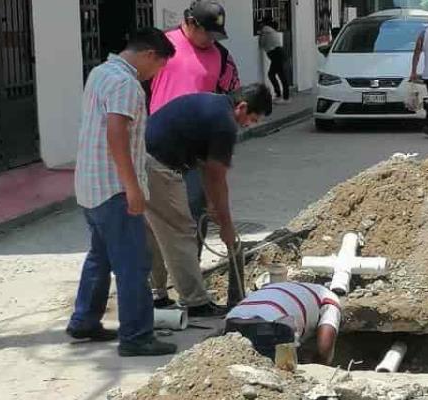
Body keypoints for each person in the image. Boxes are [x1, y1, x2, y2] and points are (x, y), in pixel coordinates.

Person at [67, 28, 178, 357]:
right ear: (149, 56)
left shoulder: (100, 73)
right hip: (114, 188)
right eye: (159, 67)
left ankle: (84, 322)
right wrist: (132, 188)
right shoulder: (126, 84)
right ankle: (136, 337)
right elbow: (117, 132)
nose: (155, 74)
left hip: (90, 185)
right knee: (133, 264)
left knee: (99, 257)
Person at [145, 0, 242, 313]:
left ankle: (189, 283)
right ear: (190, 22)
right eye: (208, 33)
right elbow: (136, 89)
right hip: (159, 147)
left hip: (195, 154)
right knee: (157, 224)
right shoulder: (161, 46)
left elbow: (233, 93)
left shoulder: (221, 57)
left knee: (193, 218)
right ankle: (157, 290)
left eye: (217, 34)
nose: (212, 40)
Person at [145, 84, 273, 313]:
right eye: (251, 119)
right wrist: (227, 226)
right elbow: (217, 177)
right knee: (180, 230)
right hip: (157, 165)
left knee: (154, 230)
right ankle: (196, 302)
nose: (248, 125)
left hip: (140, 157)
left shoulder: (213, 105)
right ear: (242, 107)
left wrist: (213, 205)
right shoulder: (224, 124)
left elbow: (204, 165)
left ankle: (157, 295)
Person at [225, 282, 341, 365]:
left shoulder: (286, 286)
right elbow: (325, 348)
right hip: (274, 324)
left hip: (233, 319)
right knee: (284, 371)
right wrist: (319, 363)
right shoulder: (330, 298)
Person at [258, 17, 290, 104]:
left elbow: (261, 44)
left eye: (261, 23)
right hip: (279, 54)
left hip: (276, 55)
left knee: (274, 75)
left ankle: (283, 97)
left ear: (264, 23)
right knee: (279, 75)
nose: (259, 24)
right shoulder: (271, 30)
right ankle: (281, 95)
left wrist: (260, 35)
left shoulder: (265, 30)